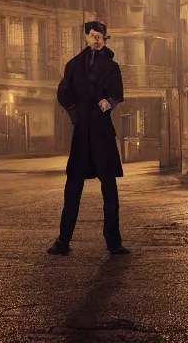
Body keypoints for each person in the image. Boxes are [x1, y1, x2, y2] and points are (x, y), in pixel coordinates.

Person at [48, 21, 129, 256]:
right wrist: (75, 115)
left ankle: (114, 243)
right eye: (93, 35)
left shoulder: (112, 68)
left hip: (102, 134)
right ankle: (63, 241)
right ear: (86, 37)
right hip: (82, 134)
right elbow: (63, 94)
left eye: (100, 36)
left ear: (105, 39)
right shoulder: (73, 65)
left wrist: (109, 102)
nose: (96, 39)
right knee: (72, 188)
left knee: (110, 190)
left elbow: (117, 94)